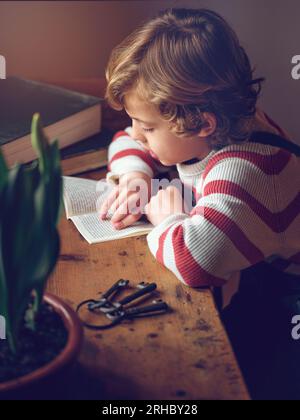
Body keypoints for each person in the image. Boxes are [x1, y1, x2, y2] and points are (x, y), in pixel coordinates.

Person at [100, 8, 300, 398]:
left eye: (149, 126)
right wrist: (136, 175)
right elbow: (125, 138)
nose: (137, 134)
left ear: (203, 124)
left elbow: (196, 261)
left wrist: (167, 215)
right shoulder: (207, 133)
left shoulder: (249, 169)